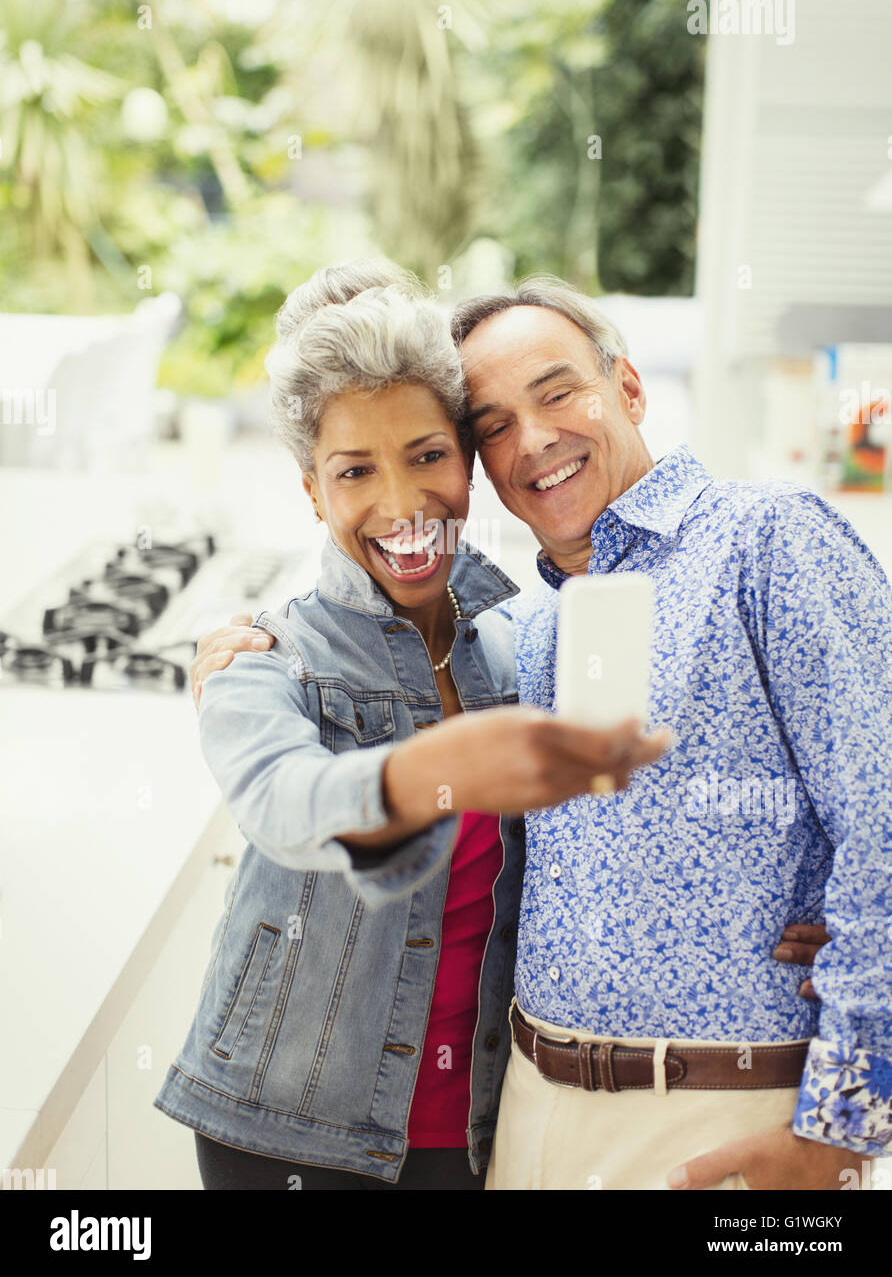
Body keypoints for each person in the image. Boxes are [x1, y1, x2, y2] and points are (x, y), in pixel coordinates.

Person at [185, 265, 843, 1191]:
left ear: (629, 387)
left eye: (429, 454)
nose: (404, 500)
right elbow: (280, 798)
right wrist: (419, 776)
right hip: (331, 1132)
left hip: (515, 1128)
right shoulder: (288, 654)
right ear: (311, 489)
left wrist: (836, 936)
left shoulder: (543, 632)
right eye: (494, 425)